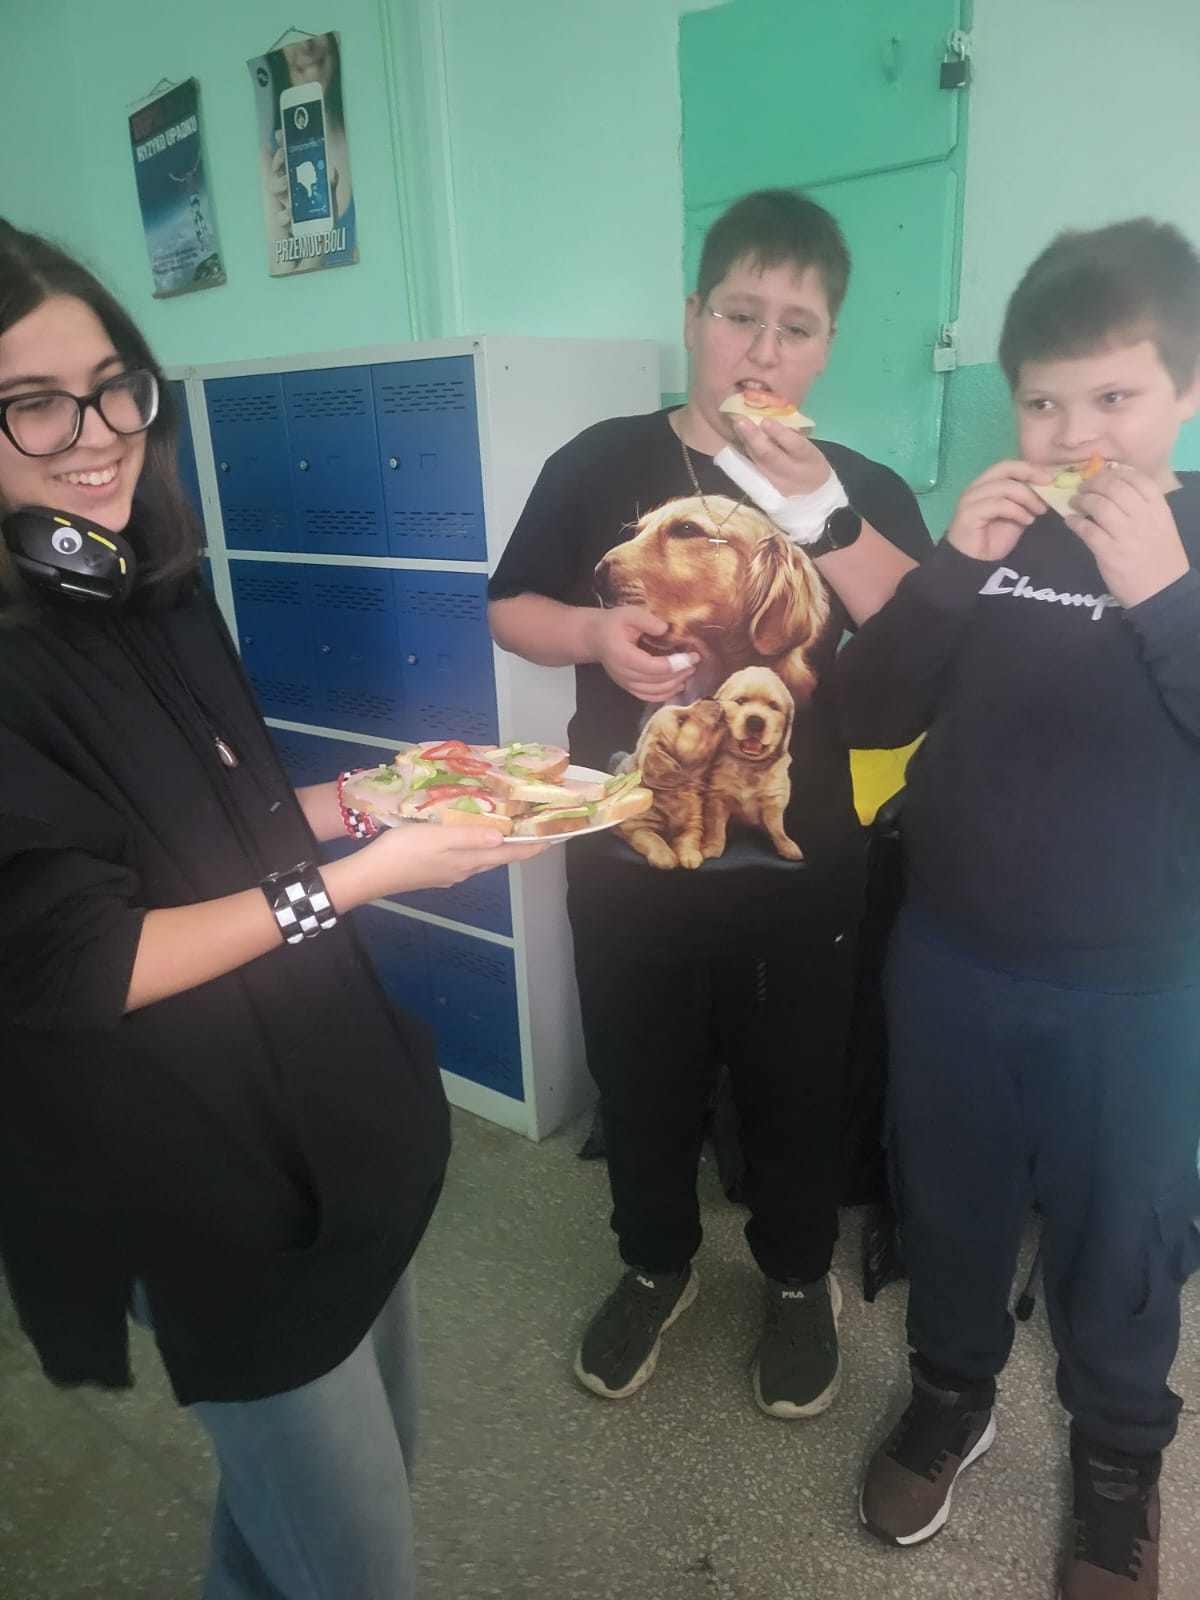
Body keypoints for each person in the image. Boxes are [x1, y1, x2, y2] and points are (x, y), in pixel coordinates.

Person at [0, 221, 543, 1600]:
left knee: (338, 1502)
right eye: (34, 404)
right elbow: (86, 958)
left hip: (324, 1114)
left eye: (116, 386)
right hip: (197, 1186)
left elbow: (219, 823)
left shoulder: (140, 577)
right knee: (354, 1562)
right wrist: (363, 879)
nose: (98, 436)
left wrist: (366, 799)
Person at [488, 189, 931, 1418]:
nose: (762, 349)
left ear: (827, 347)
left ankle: (795, 1277)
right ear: (693, 316)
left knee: (798, 1093)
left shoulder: (861, 488)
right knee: (641, 1085)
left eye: (797, 326)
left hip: (803, 874)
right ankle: (654, 1262)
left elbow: (923, 643)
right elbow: (512, 606)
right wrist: (592, 633)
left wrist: (824, 512)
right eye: (741, 314)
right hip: (627, 860)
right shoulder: (601, 462)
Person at [831, 219, 1200, 1598]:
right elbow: (865, 716)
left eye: (1115, 396)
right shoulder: (994, 534)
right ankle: (951, 1389)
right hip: (953, 958)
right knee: (951, 1196)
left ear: (1189, 389)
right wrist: (946, 574)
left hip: (1139, 984)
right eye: (1044, 403)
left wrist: (1165, 594)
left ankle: (1118, 1459)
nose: (1074, 435)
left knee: (1126, 1235)